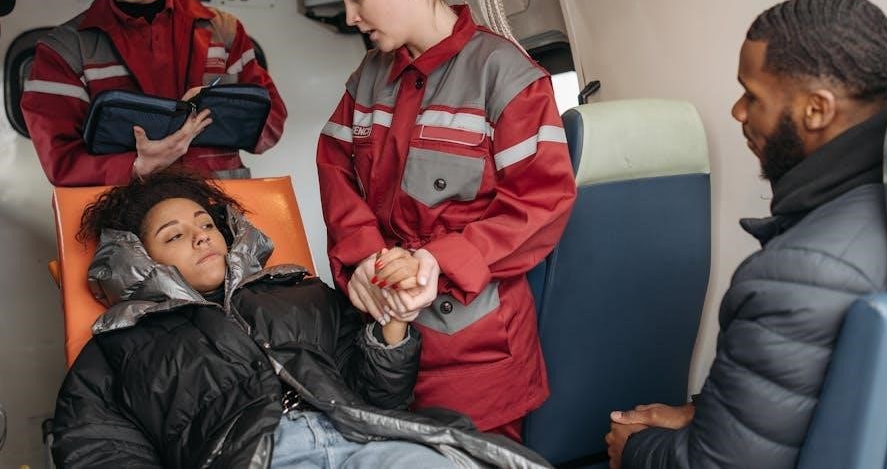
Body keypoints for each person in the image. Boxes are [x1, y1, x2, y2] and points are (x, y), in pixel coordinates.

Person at [317, 0, 577, 441]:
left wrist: (440, 261)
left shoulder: (506, 75)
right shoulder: (368, 78)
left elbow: (541, 205)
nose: (350, 16)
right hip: (383, 338)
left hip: (474, 357)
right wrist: (363, 260)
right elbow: (336, 169)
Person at [51, 169, 550, 468]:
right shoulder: (117, 348)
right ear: (140, 258)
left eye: (206, 223)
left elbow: (379, 396)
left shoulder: (299, 293)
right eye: (175, 235)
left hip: (361, 439)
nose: (202, 236)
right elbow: (99, 449)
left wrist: (392, 322)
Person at [605, 0, 887, 469]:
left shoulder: (798, 271)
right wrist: (699, 414)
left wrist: (635, 449)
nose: (738, 112)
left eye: (752, 95)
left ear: (816, 110)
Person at [21, 0, 287, 186]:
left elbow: (273, 126)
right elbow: (61, 161)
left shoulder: (224, 31)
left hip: (220, 206)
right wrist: (136, 166)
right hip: (132, 210)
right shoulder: (63, 52)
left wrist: (219, 108)